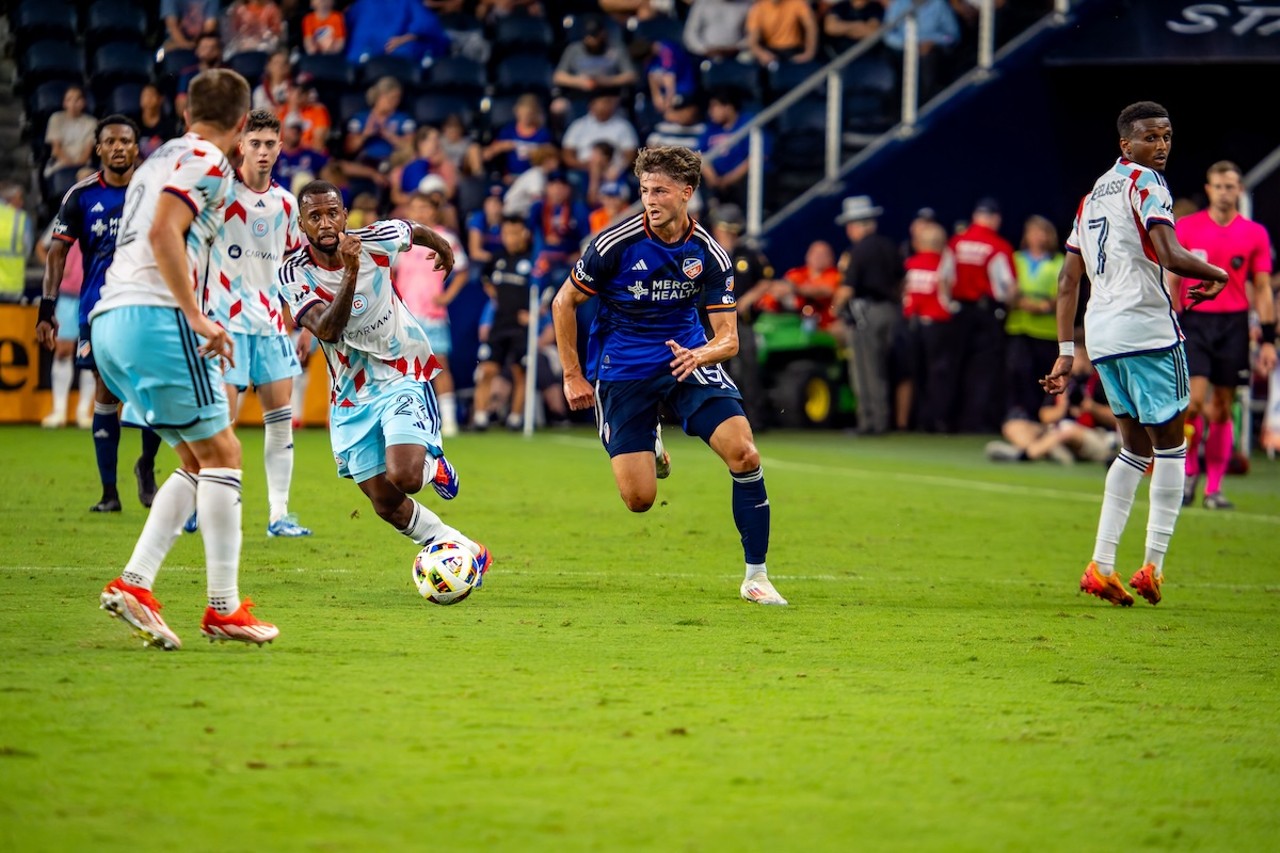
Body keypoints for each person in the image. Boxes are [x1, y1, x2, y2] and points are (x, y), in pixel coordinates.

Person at [90, 69, 279, 649]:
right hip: (155, 318)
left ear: (184, 108)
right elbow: (164, 234)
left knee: (197, 459)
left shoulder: (158, 156)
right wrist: (196, 316)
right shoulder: (208, 161)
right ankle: (223, 608)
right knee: (225, 451)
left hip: (110, 321)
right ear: (243, 125)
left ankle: (136, 583)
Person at [551, 145, 787, 606]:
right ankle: (650, 437)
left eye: (659, 190)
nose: (650, 200)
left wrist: (701, 355)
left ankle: (756, 576)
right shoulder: (612, 244)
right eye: (644, 190)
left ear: (687, 192)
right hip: (624, 371)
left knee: (745, 454)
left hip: (687, 360)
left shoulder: (709, 254)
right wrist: (571, 375)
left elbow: (729, 339)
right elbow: (564, 302)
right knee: (639, 500)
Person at [1043, 100, 1229, 608]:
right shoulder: (1145, 184)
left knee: (1133, 449)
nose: (1162, 146)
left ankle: (1101, 567)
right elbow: (1169, 254)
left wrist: (1066, 351)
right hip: (1146, 328)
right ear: (1126, 144)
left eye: (1167, 136)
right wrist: (1219, 274)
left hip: (1103, 336)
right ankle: (1153, 566)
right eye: (1151, 138)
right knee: (1172, 447)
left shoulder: (1089, 199)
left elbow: (1068, 280)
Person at [279, 180, 492, 580]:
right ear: (302, 225)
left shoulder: (375, 237)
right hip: (350, 394)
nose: (325, 223)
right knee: (385, 503)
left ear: (344, 216)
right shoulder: (293, 272)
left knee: (407, 477)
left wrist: (442, 248)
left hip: (401, 371)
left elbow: (414, 230)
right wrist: (351, 273)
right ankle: (467, 550)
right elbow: (326, 329)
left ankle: (435, 466)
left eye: (332, 213)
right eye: (315, 216)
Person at [36, 115, 164, 513]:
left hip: (147, 305)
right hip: (97, 308)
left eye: (126, 140)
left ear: (136, 146)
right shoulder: (80, 195)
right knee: (105, 393)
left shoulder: (156, 191)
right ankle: (109, 493)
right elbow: (57, 253)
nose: (119, 147)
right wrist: (47, 308)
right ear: (99, 148)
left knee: (150, 393)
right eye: (111, 141)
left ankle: (147, 464)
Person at [200, 108, 311, 538]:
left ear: (280, 147)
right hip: (223, 326)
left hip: (270, 326)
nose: (263, 152)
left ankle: (278, 515)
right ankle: (204, 503)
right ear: (240, 145)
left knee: (280, 420)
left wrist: (299, 323)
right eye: (256, 143)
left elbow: (292, 269)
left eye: (270, 144)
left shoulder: (287, 205)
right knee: (220, 423)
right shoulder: (219, 196)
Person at [1172, 160, 1275, 510]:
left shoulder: (1254, 233)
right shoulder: (1187, 228)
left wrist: (1269, 340)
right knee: (1194, 403)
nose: (1225, 192)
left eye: (1231, 186)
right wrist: (1170, 320)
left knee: (1221, 409)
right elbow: (1173, 280)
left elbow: (1261, 288)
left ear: (1239, 191)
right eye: (1219, 186)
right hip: (1195, 321)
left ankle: (1213, 489)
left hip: (1233, 323)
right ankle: (1188, 474)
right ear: (1208, 189)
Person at [393, 192, 470, 437]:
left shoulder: (445, 238)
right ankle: (407, 420)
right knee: (402, 369)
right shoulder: (399, 239)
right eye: (415, 207)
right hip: (403, 316)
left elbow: (463, 270)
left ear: (433, 211)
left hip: (432, 314)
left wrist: (447, 297)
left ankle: (448, 422)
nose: (420, 212)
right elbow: (389, 272)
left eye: (424, 207)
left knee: (439, 365)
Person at [831, 195, 902, 435]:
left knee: (865, 368)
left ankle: (871, 422)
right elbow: (902, 281)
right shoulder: (889, 246)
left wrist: (835, 310)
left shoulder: (858, 251)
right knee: (882, 366)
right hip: (890, 310)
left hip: (866, 313)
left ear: (857, 225)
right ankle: (882, 418)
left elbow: (848, 288)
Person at [947, 197, 1014, 432]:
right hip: (985, 313)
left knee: (956, 365)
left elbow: (944, 278)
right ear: (994, 218)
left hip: (958, 313)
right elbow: (1007, 287)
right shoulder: (997, 246)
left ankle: (950, 420)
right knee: (984, 369)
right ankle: (976, 421)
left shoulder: (956, 242)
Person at [473, 215, 534, 431]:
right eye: (506, 233)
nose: (510, 238)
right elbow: (485, 279)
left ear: (524, 234)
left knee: (520, 371)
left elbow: (544, 291)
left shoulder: (532, 260)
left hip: (521, 328)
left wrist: (533, 313)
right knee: (487, 370)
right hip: (499, 324)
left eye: (515, 233)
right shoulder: (496, 260)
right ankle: (480, 417)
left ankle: (516, 418)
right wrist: (495, 296)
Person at [1004, 215, 1064, 423]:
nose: (1037, 236)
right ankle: (1018, 416)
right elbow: (1007, 287)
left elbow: (1065, 292)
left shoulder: (1059, 262)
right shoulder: (1015, 259)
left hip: (1046, 330)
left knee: (1043, 376)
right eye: (1033, 232)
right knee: (1016, 372)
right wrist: (1021, 302)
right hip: (1019, 326)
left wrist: (1043, 306)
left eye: (1042, 232)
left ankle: (1042, 418)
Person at [746, 0, 819, 65]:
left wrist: (809, 53)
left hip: (793, 50)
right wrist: (761, 54)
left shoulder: (797, 3)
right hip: (770, 50)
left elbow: (811, 27)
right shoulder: (758, 8)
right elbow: (753, 39)